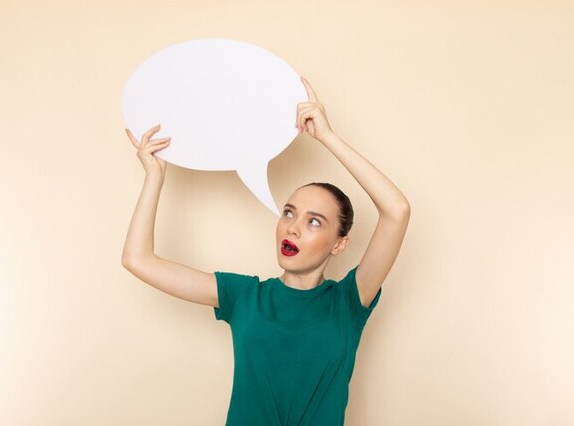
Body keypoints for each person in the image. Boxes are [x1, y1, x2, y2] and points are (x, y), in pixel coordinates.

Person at [121, 76, 411, 425]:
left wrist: (326, 136)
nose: (293, 227)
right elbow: (137, 259)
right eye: (289, 213)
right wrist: (154, 176)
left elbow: (397, 211)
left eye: (314, 221)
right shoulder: (245, 296)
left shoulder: (348, 301)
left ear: (340, 244)